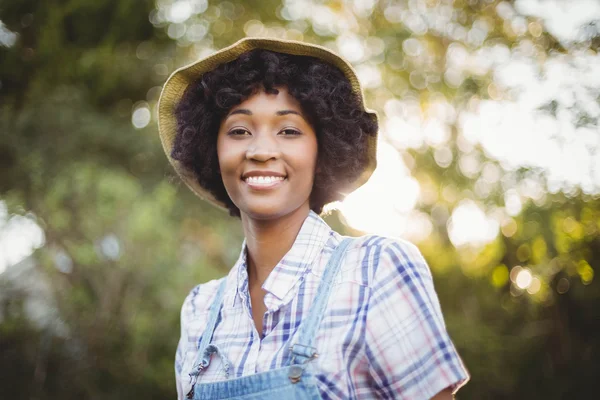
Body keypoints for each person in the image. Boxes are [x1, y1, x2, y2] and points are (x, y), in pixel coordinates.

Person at [158, 37, 469, 400]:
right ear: (213, 149)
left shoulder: (376, 271)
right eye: (239, 131)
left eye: (289, 131)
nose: (260, 151)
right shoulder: (201, 309)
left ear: (323, 150)